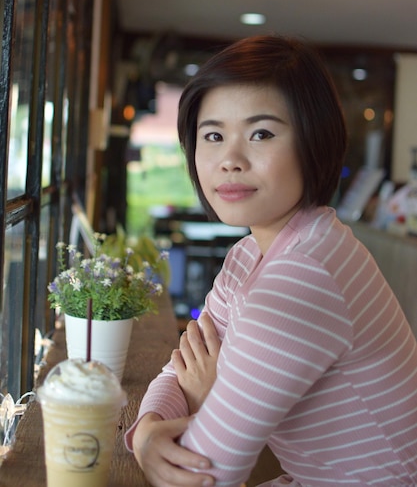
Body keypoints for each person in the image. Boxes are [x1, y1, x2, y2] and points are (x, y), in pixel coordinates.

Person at [125, 35, 417, 487]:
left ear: (312, 143)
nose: (230, 160)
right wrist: (144, 433)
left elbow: (207, 474)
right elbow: (179, 366)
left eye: (261, 133)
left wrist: (203, 401)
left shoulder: (303, 277)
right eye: (214, 136)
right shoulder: (253, 254)